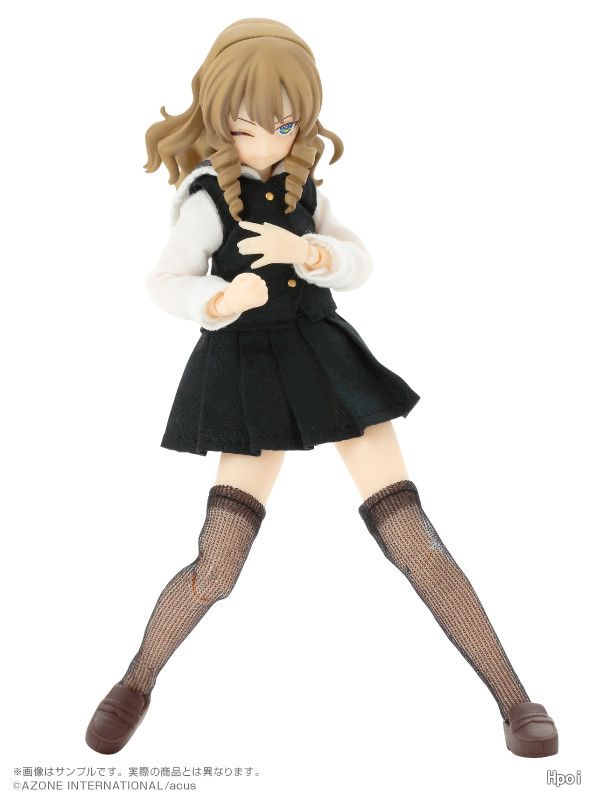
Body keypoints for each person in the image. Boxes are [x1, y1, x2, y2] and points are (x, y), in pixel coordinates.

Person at [84, 17, 558, 758]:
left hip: (322, 355)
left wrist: (310, 252)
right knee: (219, 563)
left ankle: (514, 698)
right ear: (222, 120)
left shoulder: (305, 187)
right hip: (247, 367)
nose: (271, 142)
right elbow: (164, 279)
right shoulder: (207, 200)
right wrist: (218, 300)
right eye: (251, 128)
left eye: (285, 125)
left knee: (414, 537)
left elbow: (359, 260)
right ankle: (136, 681)